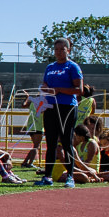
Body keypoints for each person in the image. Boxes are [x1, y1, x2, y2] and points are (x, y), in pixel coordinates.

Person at [34, 38, 83, 189]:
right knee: (51, 143)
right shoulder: (50, 67)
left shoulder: (72, 67)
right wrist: (45, 88)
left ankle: (70, 176)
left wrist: (60, 90)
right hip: (50, 107)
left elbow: (79, 90)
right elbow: (45, 84)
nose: (59, 52)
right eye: (56, 49)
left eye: (62, 49)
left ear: (68, 50)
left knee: (66, 142)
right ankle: (47, 176)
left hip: (67, 107)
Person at [20, 90, 46, 168]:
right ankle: (30, 163)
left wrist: (27, 98)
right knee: (36, 146)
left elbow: (23, 105)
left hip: (31, 126)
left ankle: (25, 162)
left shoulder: (32, 103)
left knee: (35, 146)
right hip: (38, 126)